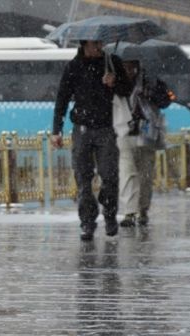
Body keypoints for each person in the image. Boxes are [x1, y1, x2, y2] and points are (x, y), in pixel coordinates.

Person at [51, 40, 133, 241]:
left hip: (106, 128)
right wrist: (56, 130)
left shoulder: (111, 62)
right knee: (83, 178)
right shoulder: (74, 66)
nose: (98, 47)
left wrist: (115, 82)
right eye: (94, 44)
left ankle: (110, 212)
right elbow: (62, 98)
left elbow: (127, 89)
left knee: (110, 175)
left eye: (100, 43)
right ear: (84, 45)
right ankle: (87, 222)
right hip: (82, 129)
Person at [114, 60, 171, 227]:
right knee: (127, 173)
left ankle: (143, 208)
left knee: (145, 175)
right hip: (124, 131)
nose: (128, 69)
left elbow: (166, 101)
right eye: (125, 66)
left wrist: (151, 93)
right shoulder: (117, 81)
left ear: (137, 65)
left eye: (131, 65)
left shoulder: (151, 80)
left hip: (147, 133)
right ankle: (129, 212)